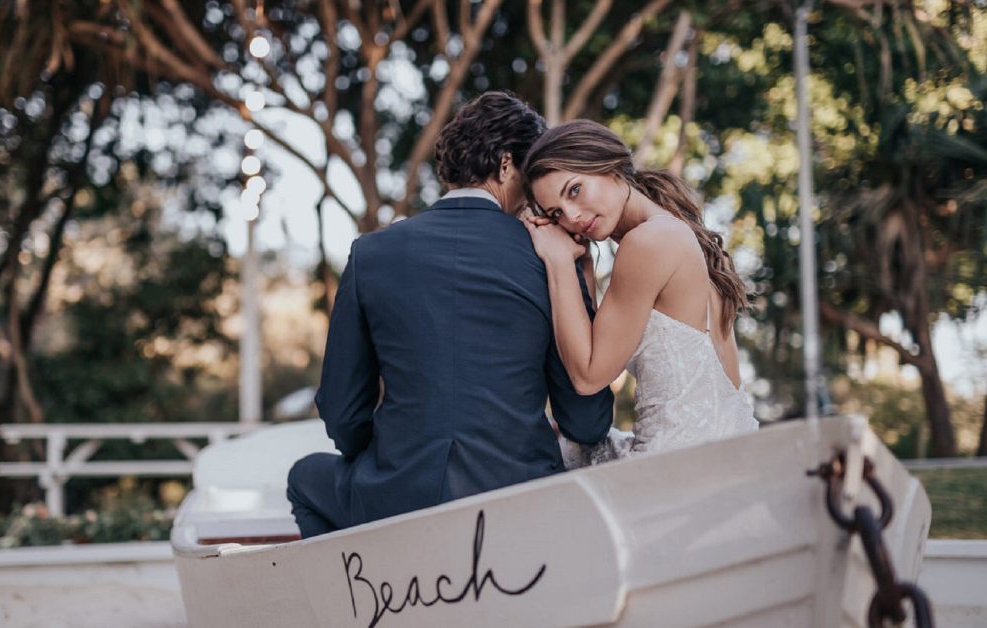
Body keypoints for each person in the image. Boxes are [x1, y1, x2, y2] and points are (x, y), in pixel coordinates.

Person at [286, 92, 614, 538]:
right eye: (529, 173)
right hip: (519, 499)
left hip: (395, 498)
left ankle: (362, 599)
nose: (534, 199)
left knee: (304, 478)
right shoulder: (550, 256)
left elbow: (341, 411)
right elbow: (586, 421)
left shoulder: (371, 253)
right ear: (504, 164)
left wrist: (388, 457)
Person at [522, 119, 758, 468]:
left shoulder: (647, 242)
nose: (571, 216)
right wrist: (582, 266)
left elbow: (587, 377)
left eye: (574, 190)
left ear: (610, 166)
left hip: (678, 471)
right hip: (729, 458)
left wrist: (557, 261)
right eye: (556, 213)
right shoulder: (685, 237)